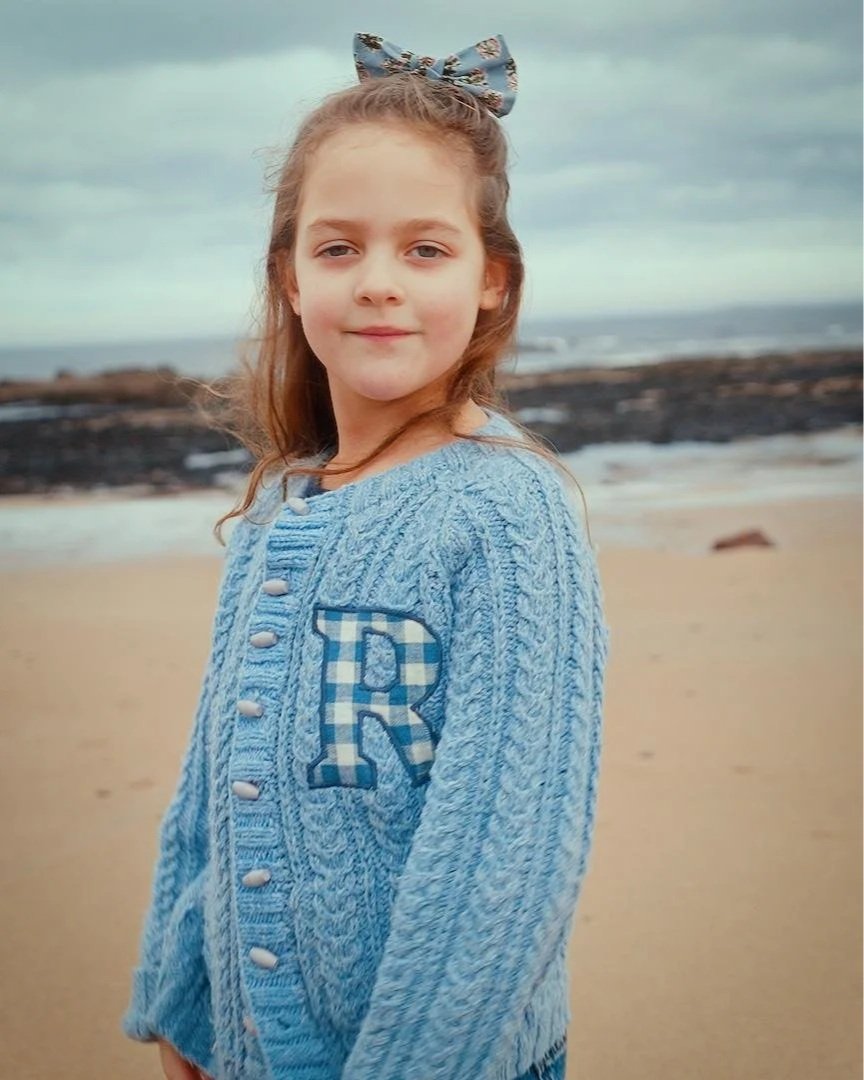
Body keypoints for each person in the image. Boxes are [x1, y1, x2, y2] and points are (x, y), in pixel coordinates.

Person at [121, 31, 611, 1080]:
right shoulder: (281, 507)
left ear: (493, 279)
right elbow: (214, 795)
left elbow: (505, 863)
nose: (378, 283)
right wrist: (183, 1006)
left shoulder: (506, 512)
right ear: (291, 280)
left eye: (425, 249)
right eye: (338, 248)